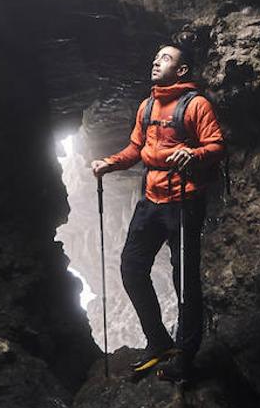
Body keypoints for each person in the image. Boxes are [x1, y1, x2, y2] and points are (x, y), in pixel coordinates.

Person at [91, 42, 225, 382]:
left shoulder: (196, 105)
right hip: (150, 201)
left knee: (186, 283)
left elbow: (216, 145)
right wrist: (110, 163)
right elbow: (136, 148)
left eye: (164, 59)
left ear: (181, 70)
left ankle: (184, 357)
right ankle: (159, 342)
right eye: (155, 57)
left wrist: (193, 155)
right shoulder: (147, 105)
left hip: (184, 201)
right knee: (132, 268)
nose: (156, 62)